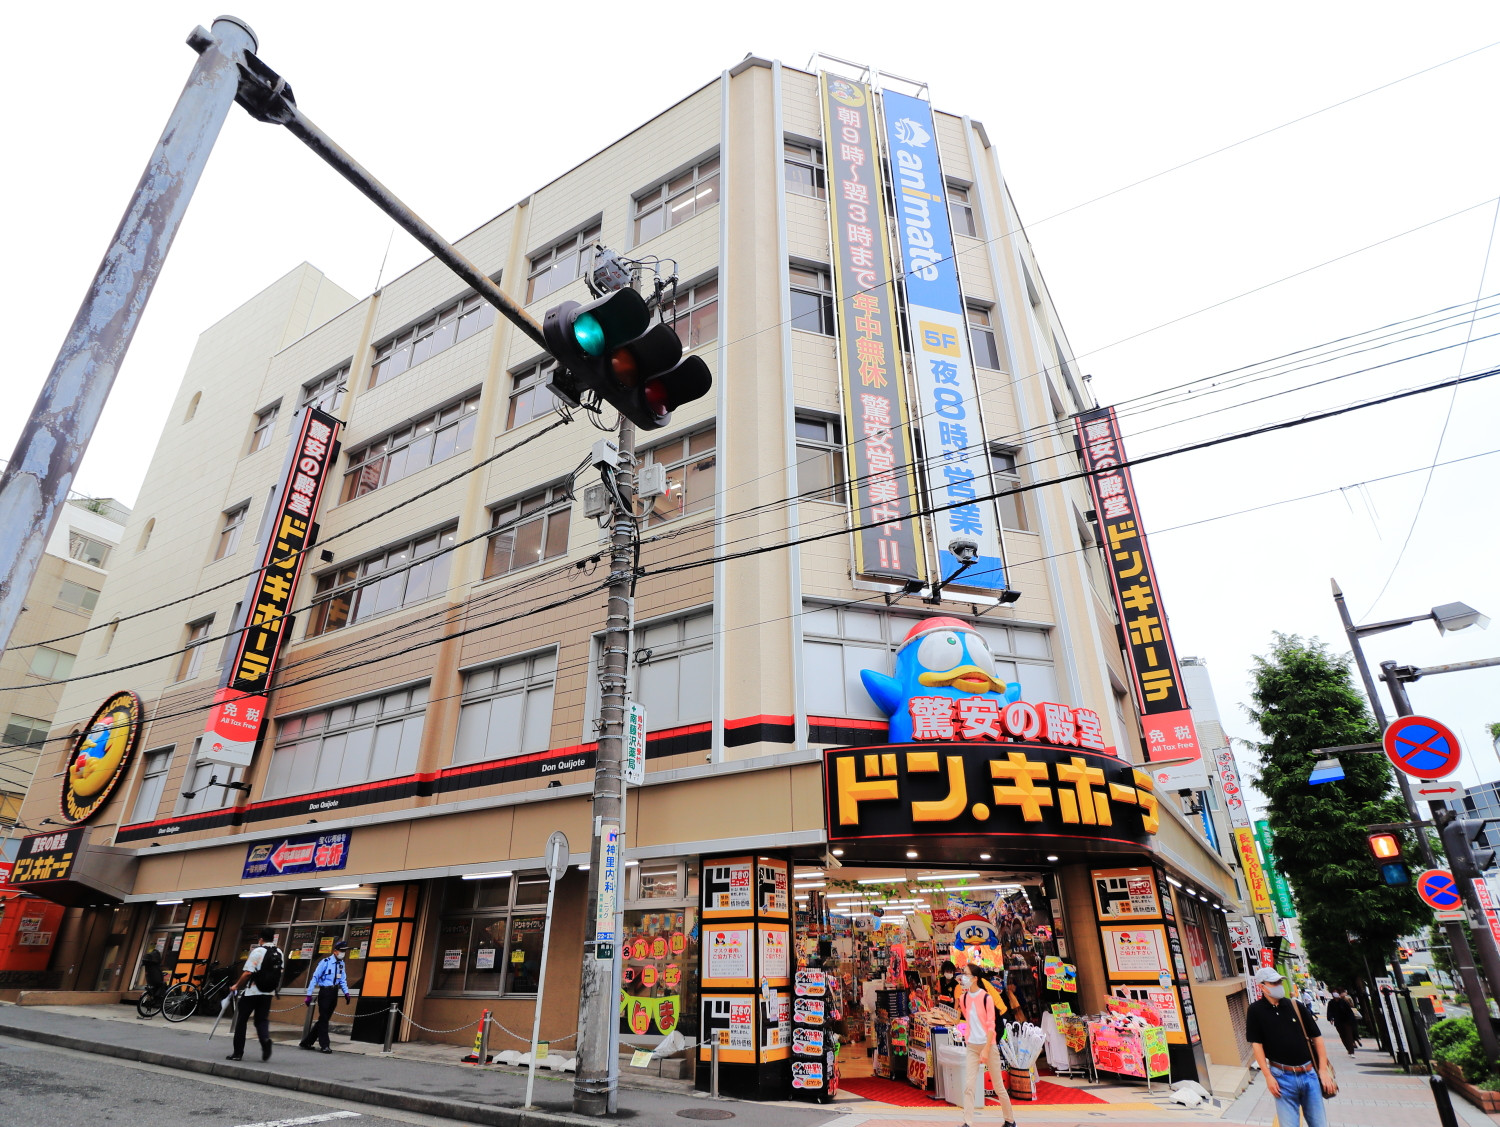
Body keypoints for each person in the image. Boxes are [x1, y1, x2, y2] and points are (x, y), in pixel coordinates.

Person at [1246, 966, 1336, 1127]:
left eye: (1279, 981)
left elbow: (1317, 1038)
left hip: (1309, 1074)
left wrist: (1322, 1071)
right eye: (1273, 983)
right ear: (1262, 986)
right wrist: (1268, 1076)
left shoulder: (1295, 1006)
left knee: (1319, 1123)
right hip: (1281, 1077)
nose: (1278, 985)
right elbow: (1257, 1045)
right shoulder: (1255, 1011)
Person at [957, 971, 1017, 1127]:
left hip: (988, 1045)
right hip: (972, 1046)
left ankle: (1010, 1119)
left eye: (966, 974)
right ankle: (967, 1122)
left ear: (975, 978)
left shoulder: (986, 998)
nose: (963, 977)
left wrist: (986, 1048)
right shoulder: (963, 999)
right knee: (969, 1085)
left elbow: (991, 1025)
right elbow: (968, 1020)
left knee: (998, 1086)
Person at [228, 928, 283, 1062]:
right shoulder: (279, 952)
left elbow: (248, 973)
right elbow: (280, 972)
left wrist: (236, 985)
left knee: (242, 1021)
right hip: (268, 992)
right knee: (261, 1020)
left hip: (252, 992)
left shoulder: (257, 951)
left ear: (261, 939)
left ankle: (237, 1053)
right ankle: (265, 1041)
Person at [299, 940, 352, 1053]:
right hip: (325, 992)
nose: (343, 953)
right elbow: (315, 978)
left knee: (324, 1019)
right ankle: (325, 1045)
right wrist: (309, 994)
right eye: (342, 951)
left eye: (345, 951)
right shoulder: (325, 962)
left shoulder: (342, 964)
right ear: (335, 951)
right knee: (324, 1019)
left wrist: (346, 993)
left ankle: (307, 1042)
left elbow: (342, 980)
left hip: (334, 993)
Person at [1324, 989, 1361, 1056]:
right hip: (1338, 1022)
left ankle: (1351, 1051)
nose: (1335, 994)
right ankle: (1348, 1048)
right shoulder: (1331, 1003)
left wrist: (1352, 1020)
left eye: (1336, 992)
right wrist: (1331, 1018)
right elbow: (1329, 1011)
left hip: (1347, 1021)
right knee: (1343, 1036)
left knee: (1348, 1035)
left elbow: (1350, 1011)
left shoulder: (1343, 1001)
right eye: (1334, 992)